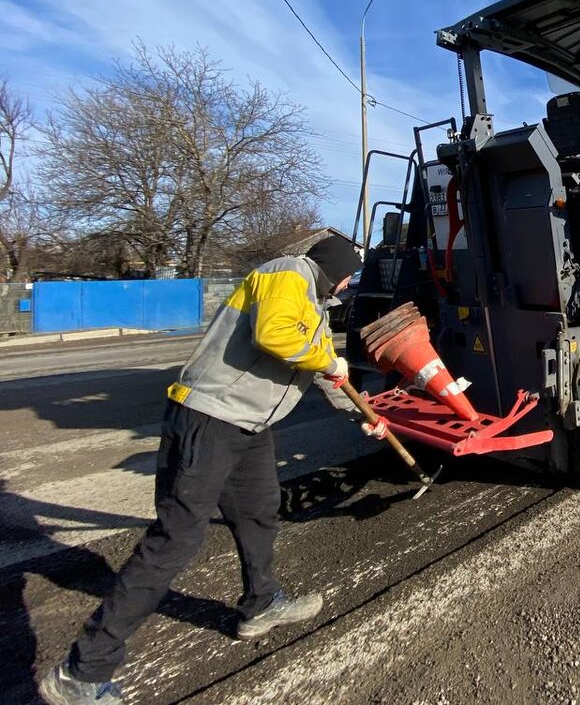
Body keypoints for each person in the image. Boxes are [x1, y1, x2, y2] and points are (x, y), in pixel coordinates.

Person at [40, 235, 365, 705]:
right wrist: (327, 358)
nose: (350, 283)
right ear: (336, 268)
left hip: (249, 425)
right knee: (176, 539)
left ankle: (262, 604)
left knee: (259, 512)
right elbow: (276, 336)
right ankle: (82, 672)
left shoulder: (314, 302)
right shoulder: (288, 272)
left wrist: (360, 414)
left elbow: (318, 368)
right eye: (350, 273)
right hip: (209, 419)